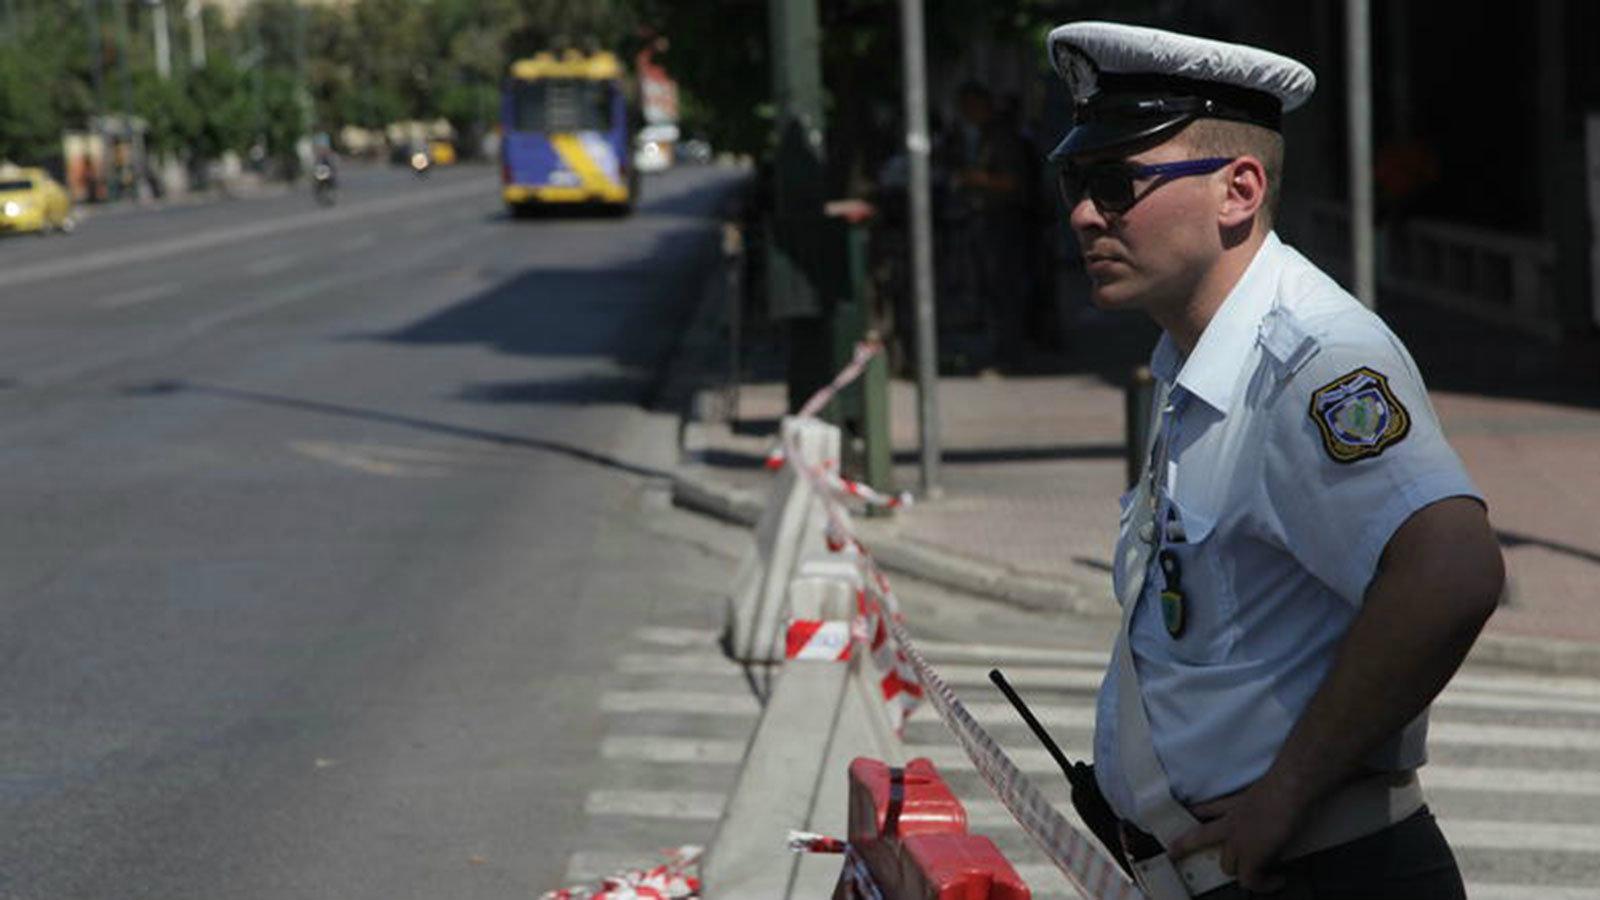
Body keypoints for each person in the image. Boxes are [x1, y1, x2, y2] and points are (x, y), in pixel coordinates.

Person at [1043, 21, 1505, 899]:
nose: (1083, 212)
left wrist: (1286, 793)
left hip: (1329, 874)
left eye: (1117, 182)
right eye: (1076, 180)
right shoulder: (1198, 354)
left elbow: (1454, 571)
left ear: (1238, 190)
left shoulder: (1313, 360)